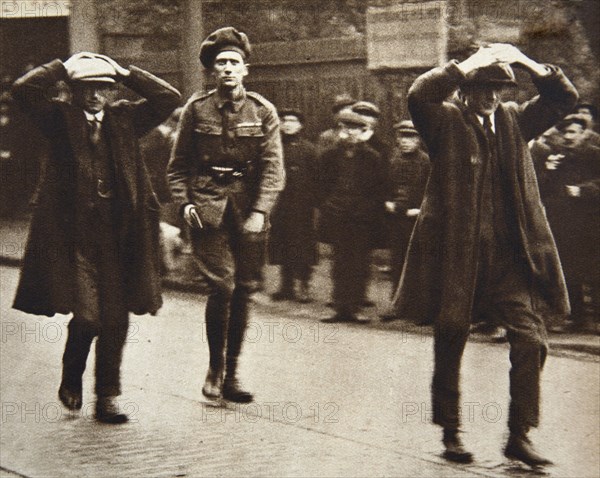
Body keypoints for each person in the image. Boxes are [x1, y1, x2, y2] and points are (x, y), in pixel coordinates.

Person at [392, 43, 578, 466]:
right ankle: (451, 431)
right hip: (459, 260)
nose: (491, 96)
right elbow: (418, 94)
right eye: (481, 87)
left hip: (510, 262)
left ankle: (519, 434)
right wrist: (470, 63)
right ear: (464, 91)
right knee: (451, 335)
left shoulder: (515, 121)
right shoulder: (444, 122)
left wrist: (525, 62)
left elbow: (564, 98)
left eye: (498, 87)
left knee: (531, 341)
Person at [11, 52, 181, 423]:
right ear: (73, 90)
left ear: (111, 90)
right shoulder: (58, 119)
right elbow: (22, 91)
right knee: (88, 318)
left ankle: (108, 397)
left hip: (120, 237)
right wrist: (60, 66)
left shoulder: (126, 119)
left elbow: (169, 98)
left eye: (102, 87)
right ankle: (72, 374)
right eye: (86, 88)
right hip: (75, 238)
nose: (94, 96)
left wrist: (126, 72)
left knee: (116, 321)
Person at [168, 27, 284, 403]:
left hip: (249, 209)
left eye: (234, 62)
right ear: (212, 71)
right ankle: (215, 367)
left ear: (246, 69)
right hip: (207, 208)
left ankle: (232, 374)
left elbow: (273, 168)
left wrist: (260, 210)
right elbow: (177, 166)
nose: (228, 69)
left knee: (245, 291)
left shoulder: (263, 111)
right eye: (221, 63)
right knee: (223, 286)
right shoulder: (195, 110)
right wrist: (185, 204)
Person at [318, 108, 389, 323]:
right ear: (340, 130)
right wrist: (329, 205)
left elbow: (380, 189)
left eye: (355, 130)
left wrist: (364, 209)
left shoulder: (372, 157)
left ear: (363, 132)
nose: (350, 134)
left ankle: (355, 307)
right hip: (337, 215)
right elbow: (321, 185)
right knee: (339, 262)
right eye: (346, 129)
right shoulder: (329, 155)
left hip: (361, 219)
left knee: (360, 263)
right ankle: (339, 307)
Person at [535, 116, 600, 332]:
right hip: (563, 223)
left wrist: (584, 190)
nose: (568, 137)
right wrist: (549, 170)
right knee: (568, 270)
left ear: (584, 134)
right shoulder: (558, 156)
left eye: (573, 132)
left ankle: (596, 318)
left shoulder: (594, 154)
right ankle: (576, 317)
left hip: (590, 223)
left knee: (593, 270)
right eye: (566, 133)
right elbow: (542, 189)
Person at [269, 109, 319, 303]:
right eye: (284, 120)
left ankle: (304, 285)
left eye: (292, 121)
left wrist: (313, 202)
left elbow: (317, 178)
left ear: (300, 125)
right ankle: (286, 286)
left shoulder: (309, 149)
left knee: (303, 245)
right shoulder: (274, 147)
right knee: (282, 243)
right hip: (280, 204)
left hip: (302, 206)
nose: (288, 124)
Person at [384, 120, 430, 298]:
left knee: (416, 261)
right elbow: (384, 184)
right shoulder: (393, 159)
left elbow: (432, 190)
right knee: (396, 260)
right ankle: (396, 300)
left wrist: (420, 209)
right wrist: (387, 201)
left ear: (418, 140)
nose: (405, 141)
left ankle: (416, 304)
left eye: (410, 137)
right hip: (396, 217)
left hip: (416, 218)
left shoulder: (425, 161)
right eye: (402, 137)